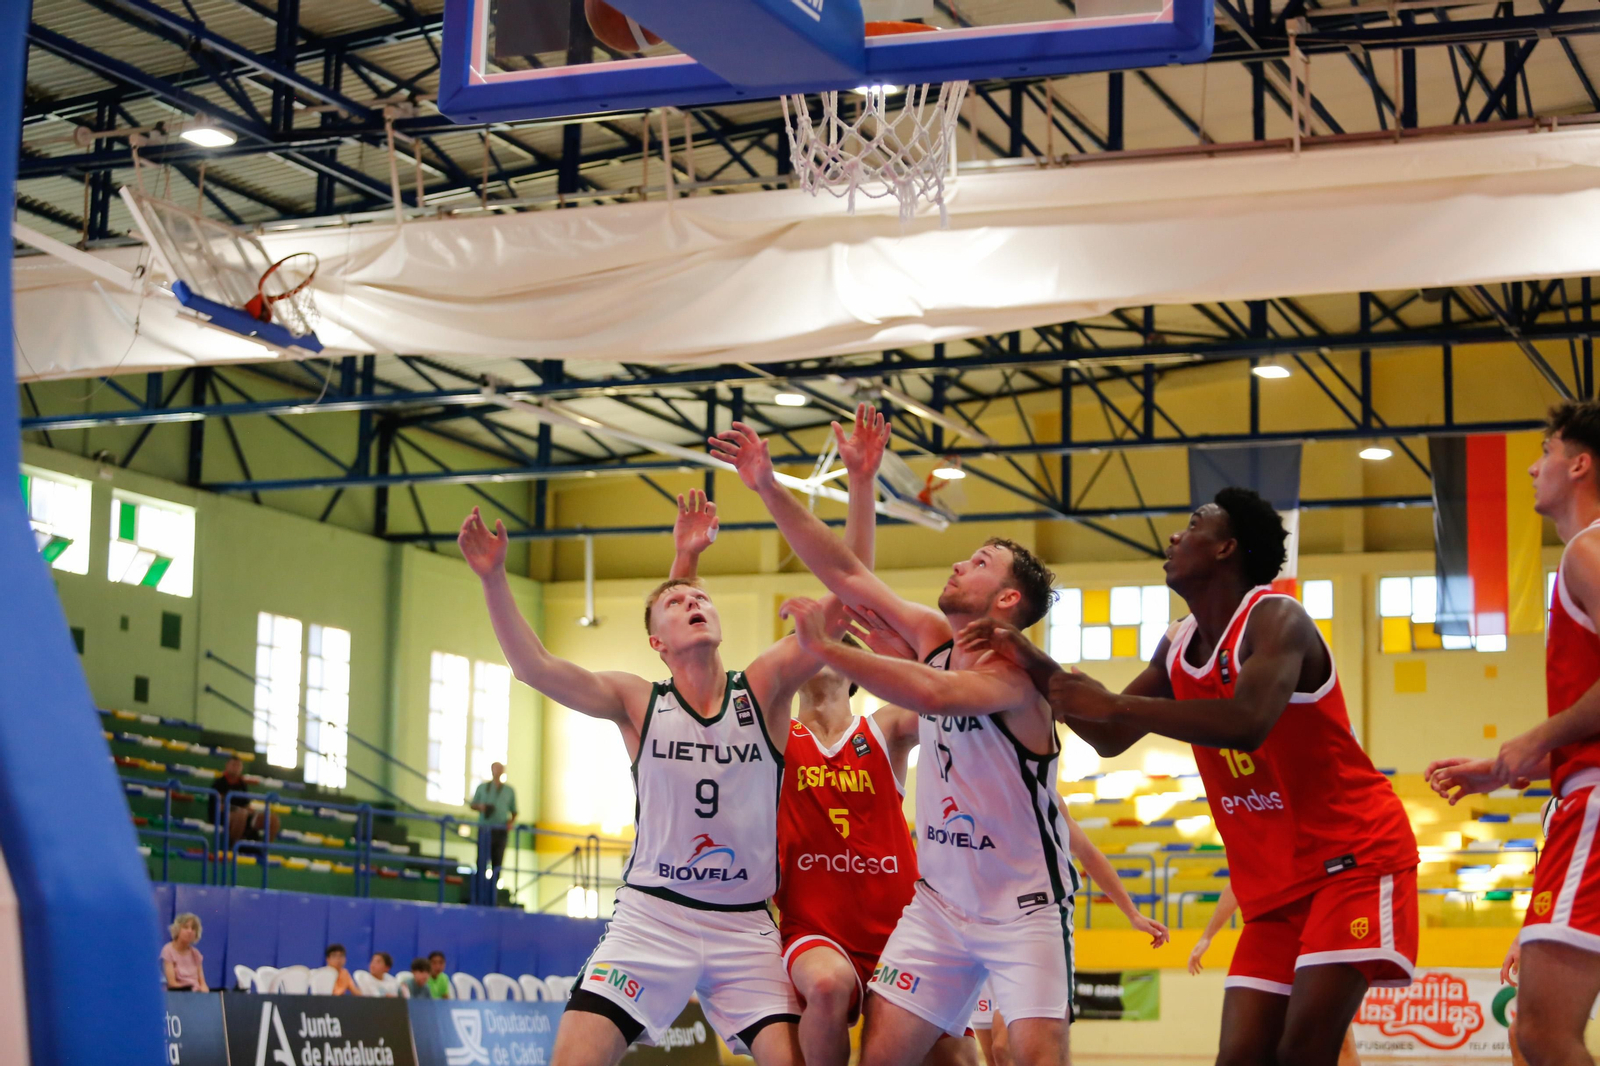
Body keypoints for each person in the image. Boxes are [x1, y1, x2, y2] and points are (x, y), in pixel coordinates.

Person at [963, 486, 1419, 1066]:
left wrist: (1109, 703)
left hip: (1352, 859)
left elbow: (1247, 721)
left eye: (1194, 525)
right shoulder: (1178, 642)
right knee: (1239, 1057)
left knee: (1304, 1052)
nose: (1176, 536)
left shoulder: (1277, 619)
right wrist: (1031, 659)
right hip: (1275, 884)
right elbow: (1109, 736)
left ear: (1227, 547)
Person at [712, 415, 1075, 1066]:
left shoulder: (1013, 678)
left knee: (1030, 1058)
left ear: (1008, 598)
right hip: (936, 909)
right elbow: (849, 576)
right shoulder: (935, 638)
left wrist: (827, 648)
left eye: (981, 562)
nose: (961, 561)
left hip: (1020, 909)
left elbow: (930, 696)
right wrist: (768, 485)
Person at [460, 494, 840, 1066]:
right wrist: (493, 580)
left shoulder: (760, 689)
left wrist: (857, 485)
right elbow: (532, 667)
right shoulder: (639, 700)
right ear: (656, 644)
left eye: (702, 598)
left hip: (744, 925)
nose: (695, 603)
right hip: (653, 917)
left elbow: (849, 599)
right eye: (681, 602)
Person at [674, 419, 974, 1066]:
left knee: (956, 1057)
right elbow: (842, 590)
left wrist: (861, 482)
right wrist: (687, 563)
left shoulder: (888, 728)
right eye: (816, 641)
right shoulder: (780, 732)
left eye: (838, 642)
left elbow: (854, 584)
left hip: (901, 925)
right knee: (829, 990)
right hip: (818, 927)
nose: (825, 646)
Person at [1426, 400, 1600, 1066]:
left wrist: (1537, 738)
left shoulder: (1589, 548)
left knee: (1542, 1034)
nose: (1532, 467)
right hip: (1580, 790)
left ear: (1579, 463)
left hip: (1594, 802)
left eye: (1547, 451)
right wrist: (1512, 762)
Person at [972, 796, 1170, 1066]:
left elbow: (1087, 853)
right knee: (994, 1055)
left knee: (1006, 1047)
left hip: (1032, 925)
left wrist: (1133, 914)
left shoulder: (1040, 793)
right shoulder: (964, 789)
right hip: (979, 927)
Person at [1188, 884, 1360, 1066]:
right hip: (1269, 932)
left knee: (1340, 1042)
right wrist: (1207, 936)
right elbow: (1237, 883)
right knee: (1242, 1050)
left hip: (1320, 929)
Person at [470, 761, 518, 899]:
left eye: (500, 769)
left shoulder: (509, 791)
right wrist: (482, 807)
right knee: (482, 861)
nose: (498, 771)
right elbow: (473, 805)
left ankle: (492, 892)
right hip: (485, 829)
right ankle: (479, 892)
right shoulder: (482, 788)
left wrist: (510, 822)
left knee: (497, 863)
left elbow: (514, 811)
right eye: (495, 769)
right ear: (492, 770)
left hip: (501, 831)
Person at [211, 755, 278, 847]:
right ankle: (232, 848)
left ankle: (264, 849)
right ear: (227, 766)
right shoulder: (219, 783)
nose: (236, 768)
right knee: (241, 814)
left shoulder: (242, 785)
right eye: (233, 765)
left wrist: (252, 812)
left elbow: (247, 805)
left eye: (238, 766)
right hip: (222, 817)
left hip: (244, 816)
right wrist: (239, 810)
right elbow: (219, 807)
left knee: (272, 819)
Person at [161, 913, 208, 992]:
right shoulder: (168, 950)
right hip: (179, 995)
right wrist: (190, 992)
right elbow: (172, 983)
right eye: (186, 927)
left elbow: (202, 983)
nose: (190, 931)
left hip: (197, 995)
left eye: (193, 929)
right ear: (177, 929)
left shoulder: (196, 954)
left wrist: (205, 994)